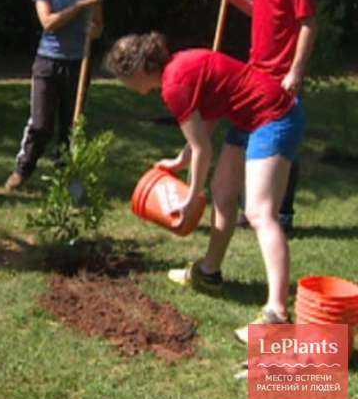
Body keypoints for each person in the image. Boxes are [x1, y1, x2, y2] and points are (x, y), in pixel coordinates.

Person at [106, 33, 304, 342]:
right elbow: (204, 125)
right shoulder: (179, 67)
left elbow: (203, 151)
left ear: (139, 70)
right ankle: (209, 273)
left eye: (124, 77)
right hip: (250, 118)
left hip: (274, 117)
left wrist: (191, 195)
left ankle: (277, 314)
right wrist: (179, 161)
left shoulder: (174, 86)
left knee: (260, 213)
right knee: (223, 193)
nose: (124, 84)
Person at [218, 0, 317, 234]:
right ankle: (253, 207)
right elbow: (262, 12)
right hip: (255, 69)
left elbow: (307, 24)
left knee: (281, 141)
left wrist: (296, 71)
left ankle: (283, 213)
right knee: (247, 138)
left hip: (281, 75)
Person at [5, 0, 102, 190]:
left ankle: (66, 176)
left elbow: (97, 26)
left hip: (77, 63)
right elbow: (48, 23)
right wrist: (82, 5)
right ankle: (22, 170)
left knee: (72, 124)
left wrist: (94, 29)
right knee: (40, 123)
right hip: (48, 61)